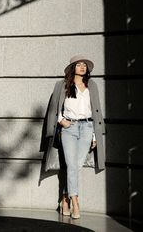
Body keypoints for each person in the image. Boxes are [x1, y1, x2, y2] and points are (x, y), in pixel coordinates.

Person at [45, 55, 105, 219]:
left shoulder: (91, 86)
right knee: (72, 165)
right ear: (73, 68)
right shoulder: (62, 85)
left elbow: (95, 110)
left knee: (76, 167)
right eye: (78, 65)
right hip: (69, 128)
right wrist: (61, 121)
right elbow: (54, 108)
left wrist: (94, 134)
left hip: (86, 127)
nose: (82, 67)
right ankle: (75, 202)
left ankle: (64, 199)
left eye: (84, 65)